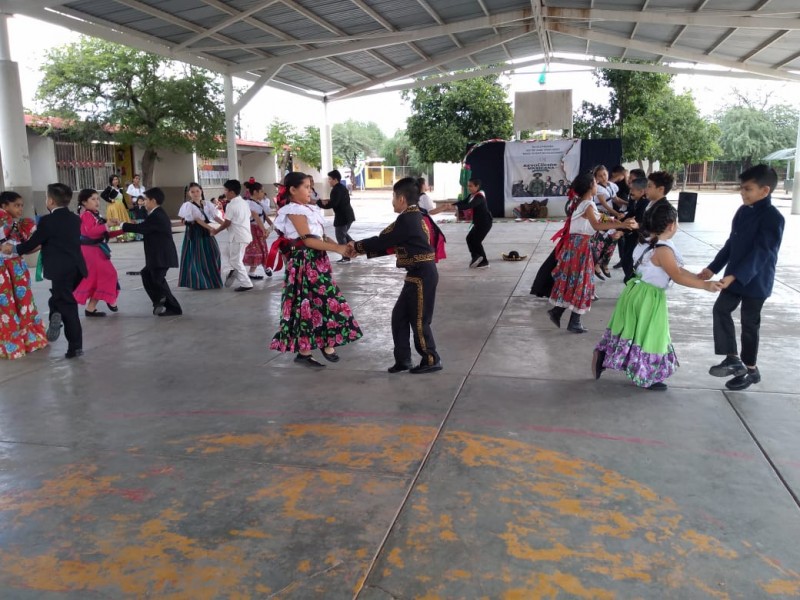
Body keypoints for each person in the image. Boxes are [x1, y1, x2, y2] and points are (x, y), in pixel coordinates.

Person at [593, 201, 723, 391]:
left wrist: (696, 277)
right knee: (651, 336)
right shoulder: (663, 249)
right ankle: (648, 376)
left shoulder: (647, 241)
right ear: (672, 225)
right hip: (649, 297)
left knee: (631, 331)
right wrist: (704, 285)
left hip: (635, 292)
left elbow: (675, 269)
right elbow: (676, 275)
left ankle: (605, 356)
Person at [700, 164, 785, 391]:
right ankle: (732, 359)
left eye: (747, 189)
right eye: (741, 188)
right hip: (734, 278)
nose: (742, 192)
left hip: (756, 281)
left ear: (764, 191)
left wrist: (735, 276)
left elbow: (762, 252)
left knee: (749, 324)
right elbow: (731, 244)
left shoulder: (773, 218)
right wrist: (712, 268)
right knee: (721, 310)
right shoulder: (742, 211)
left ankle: (751, 369)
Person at [348, 177, 441, 374]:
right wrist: (360, 250)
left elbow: (384, 240)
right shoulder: (412, 216)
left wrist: (356, 247)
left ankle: (431, 359)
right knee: (399, 316)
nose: (392, 201)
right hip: (416, 274)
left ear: (400, 199)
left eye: (392, 196)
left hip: (422, 274)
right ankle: (403, 360)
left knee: (419, 320)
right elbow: (392, 245)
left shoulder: (408, 218)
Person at [268, 171, 362, 368]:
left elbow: (320, 237)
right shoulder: (293, 209)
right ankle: (319, 344)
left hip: (317, 260)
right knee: (315, 301)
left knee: (316, 302)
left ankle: (306, 351)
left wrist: (342, 247)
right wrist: (338, 248)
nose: (310, 191)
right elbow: (308, 240)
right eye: (306, 187)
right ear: (293, 190)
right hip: (304, 261)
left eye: (311, 187)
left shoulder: (308, 209)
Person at [547, 173, 638, 334]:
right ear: (590, 187)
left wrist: (619, 221)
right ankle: (570, 319)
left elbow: (601, 219)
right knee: (583, 282)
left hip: (576, 246)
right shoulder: (588, 204)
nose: (598, 186)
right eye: (596, 183)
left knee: (577, 281)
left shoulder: (583, 203)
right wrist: (621, 223)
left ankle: (559, 313)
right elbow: (596, 225)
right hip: (579, 247)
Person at [11, 183, 87, 359]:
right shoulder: (75, 219)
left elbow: (33, 242)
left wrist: (13, 250)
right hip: (77, 269)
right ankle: (55, 312)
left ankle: (75, 347)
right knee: (60, 297)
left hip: (61, 270)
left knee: (68, 307)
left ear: (50, 201)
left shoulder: (47, 221)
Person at [0, 192, 48, 359]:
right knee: (8, 306)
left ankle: (26, 340)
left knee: (24, 303)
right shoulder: (6, 221)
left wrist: (41, 243)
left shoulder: (22, 224)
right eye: (16, 205)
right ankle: (14, 343)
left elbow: (29, 247)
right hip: (3, 270)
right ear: (4, 206)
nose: (20, 208)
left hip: (17, 268)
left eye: (21, 205)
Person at [121, 187, 182, 316]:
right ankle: (159, 300)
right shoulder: (155, 214)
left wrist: (123, 225)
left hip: (161, 256)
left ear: (153, 201)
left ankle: (172, 307)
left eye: (146, 200)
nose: (144, 203)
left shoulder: (157, 215)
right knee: (148, 275)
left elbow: (142, 228)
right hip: (157, 255)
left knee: (157, 279)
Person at [73, 188, 125, 316]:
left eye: (97, 199)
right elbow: (91, 232)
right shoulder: (86, 215)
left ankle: (91, 309)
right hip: (90, 252)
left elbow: (105, 234)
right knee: (109, 274)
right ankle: (110, 299)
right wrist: (108, 224)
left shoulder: (96, 215)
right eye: (93, 199)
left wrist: (124, 229)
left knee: (97, 280)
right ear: (84, 202)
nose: (97, 202)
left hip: (97, 250)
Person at [177, 182, 223, 290]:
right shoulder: (188, 205)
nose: (196, 193)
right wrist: (211, 228)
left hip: (206, 230)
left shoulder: (207, 204)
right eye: (192, 192)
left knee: (214, 253)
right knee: (197, 257)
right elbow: (197, 220)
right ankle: (200, 282)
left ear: (201, 191)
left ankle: (212, 280)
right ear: (189, 193)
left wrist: (225, 224)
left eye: (197, 191)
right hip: (195, 232)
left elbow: (215, 216)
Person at [441, 178, 493, 269]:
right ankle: (476, 257)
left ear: (477, 186)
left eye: (471, 186)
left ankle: (484, 261)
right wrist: (451, 205)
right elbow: (463, 202)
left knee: (476, 241)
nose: (469, 188)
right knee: (469, 238)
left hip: (485, 223)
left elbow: (469, 205)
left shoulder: (479, 196)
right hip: (478, 223)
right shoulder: (471, 195)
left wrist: (455, 207)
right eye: (468, 186)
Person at [212, 179, 253, 292]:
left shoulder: (231, 205)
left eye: (225, 190)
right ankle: (231, 270)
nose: (224, 192)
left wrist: (216, 231)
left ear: (231, 192)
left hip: (238, 237)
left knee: (236, 260)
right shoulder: (244, 202)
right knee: (226, 253)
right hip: (241, 235)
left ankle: (246, 283)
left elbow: (227, 222)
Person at [317, 169, 356, 263]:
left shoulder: (336, 190)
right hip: (348, 215)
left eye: (330, 179)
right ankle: (356, 249)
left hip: (342, 217)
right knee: (344, 235)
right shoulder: (341, 188)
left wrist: (319, 203)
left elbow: (334, 204)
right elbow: (337, 201)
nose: (328, 181)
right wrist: (327, 201)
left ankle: (346, 257)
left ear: (335, 179)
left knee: (340, 236)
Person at [619, 177, 649, 282]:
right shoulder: (636, 201)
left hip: (638, 238)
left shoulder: (645, 203)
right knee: (626, 261)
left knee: (629, 263)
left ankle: (632, 285)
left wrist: (621, 230)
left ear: (642, 191)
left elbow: (636, 222)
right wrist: (618, 222)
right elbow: (630, 215)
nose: (630, 192)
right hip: (631, 236)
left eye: (633, 190)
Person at [242, 181, 274, 280]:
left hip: (259, 229)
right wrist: (264, 229)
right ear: (255, 192)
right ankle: (263, 267)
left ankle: (261, 267)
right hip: (254, 230)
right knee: (257, 250)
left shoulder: (259, 203)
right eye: (261, 191)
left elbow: (264, 216)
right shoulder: (249, 204)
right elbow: (256, 217)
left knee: (262, 249)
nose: (263, 193)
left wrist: (272, 226)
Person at [101, 174, 132, 242]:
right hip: (114, 207)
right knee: (116, 220)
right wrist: (110, 200)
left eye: (117, 179)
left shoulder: (120, 189)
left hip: (121, 207)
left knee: (123, 220)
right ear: (111, 181)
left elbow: (123, 199)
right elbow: (102, 195)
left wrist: (126, 207)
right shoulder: (110, 188)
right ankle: (118, 237)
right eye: (114, 179)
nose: (116, 181)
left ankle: (124, 235)